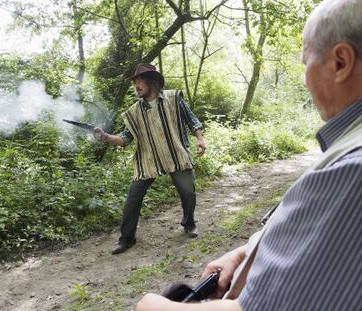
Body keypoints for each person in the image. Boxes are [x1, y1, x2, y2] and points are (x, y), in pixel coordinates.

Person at [136, 0, 362, 309]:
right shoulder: (134, 111)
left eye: (305, 61)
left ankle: (188, 223)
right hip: (153, 164)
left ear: (340, 62)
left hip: (178, 158)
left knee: (187, 195)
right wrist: (250, 249)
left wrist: (149, 305)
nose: (304, 78)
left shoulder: (349, 172)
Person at [94, 63, 206, 255]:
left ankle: (189, 223)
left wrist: (200, 139)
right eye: (134, 82)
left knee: (188, 191)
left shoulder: (173, 98)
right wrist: (105, 136)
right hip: (149, 159)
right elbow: (124, 139)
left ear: (152, 81)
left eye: (140, 81)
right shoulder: (134, 112)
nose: (136, 85)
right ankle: (127, 238)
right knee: (133, 197)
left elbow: (191, 119)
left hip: (175, 154)